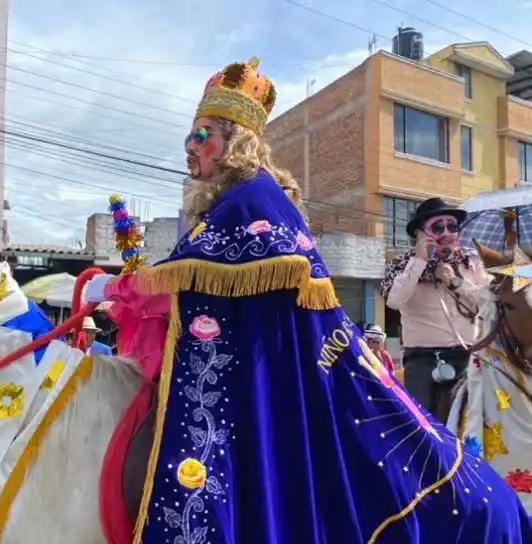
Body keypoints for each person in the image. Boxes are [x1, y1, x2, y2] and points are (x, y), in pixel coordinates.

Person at [86, 57, 531, 543]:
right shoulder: (243, 201)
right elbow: (195, 286)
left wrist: (110, 288)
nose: (190, 147)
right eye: (191, 135)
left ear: (237, 140)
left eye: (202, 134)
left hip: (401, 357)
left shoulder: (250, 201)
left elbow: (180, 277)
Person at [382, 197, 487, 420]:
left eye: (452, 226)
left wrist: (456, 282)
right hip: (424, 360)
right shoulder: (401, 265)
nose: (447, 233)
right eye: (438, 227)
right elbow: (394, 300)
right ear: (421, 234)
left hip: (469, 355)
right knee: (423, 425)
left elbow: (487, 303)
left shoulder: (472, 262)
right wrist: (419, 262)